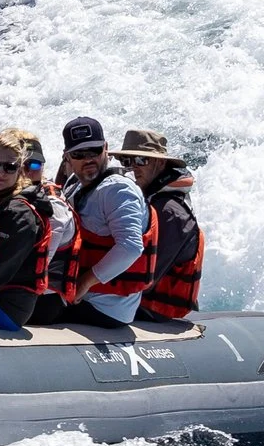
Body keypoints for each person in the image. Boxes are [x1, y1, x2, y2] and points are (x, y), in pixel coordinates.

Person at [41, 116, 158, 326]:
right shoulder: (74, 184)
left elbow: (130, 247)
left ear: (106, 148)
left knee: (25, 310)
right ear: (67, 157)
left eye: (94, 151)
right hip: (78, 297)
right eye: (79, 154)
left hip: (105, 308)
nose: (88, 159)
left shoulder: (118, 190)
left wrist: (84, 283)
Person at [113, 129, 204, 321]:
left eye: (141, 161)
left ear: (160, 162)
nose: (133, 168)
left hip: (153, 311)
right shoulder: (152, 199)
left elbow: (147, 278)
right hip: (140, 303)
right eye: (127, 161)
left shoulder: (169, 212)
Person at [0, 128, 60, 328]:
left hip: (4, 307)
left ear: (20, 169)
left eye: (9, 167)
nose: (0, 172)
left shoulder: (19, 214)